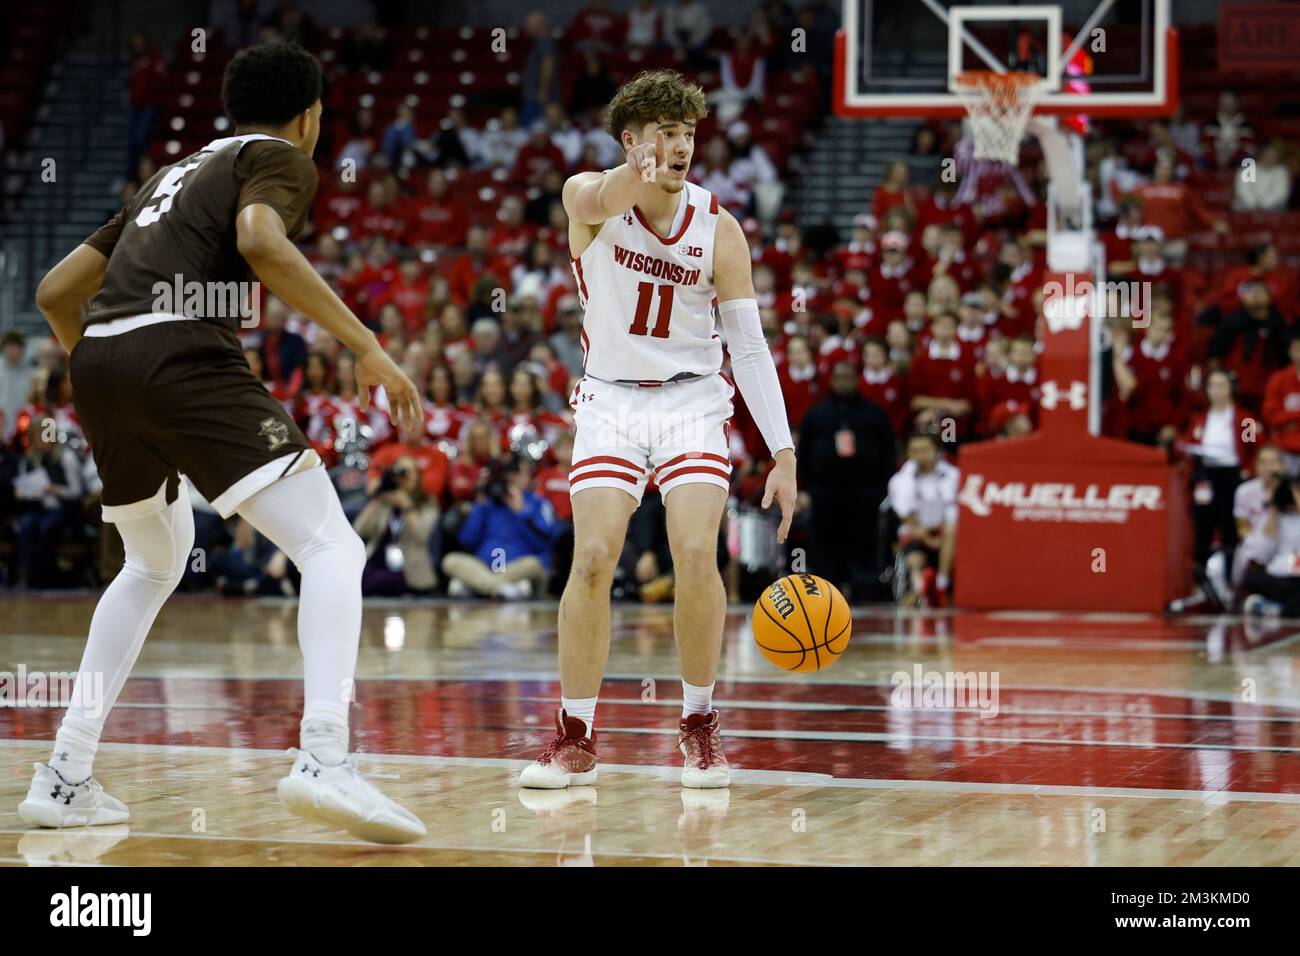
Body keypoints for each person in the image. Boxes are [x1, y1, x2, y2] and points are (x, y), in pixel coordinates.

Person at [21, 42, 426, 843]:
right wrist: (364, 344)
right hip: (179, 354)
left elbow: (54, 291)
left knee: (150, 564)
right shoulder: (277, 157)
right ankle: (324, 759)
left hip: (101, 359)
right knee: (332, 548)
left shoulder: (166, 179)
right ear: (310, 116)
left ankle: (65, 774)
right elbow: (262, 241)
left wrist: (116, 377)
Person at [521, 69, 796, 790]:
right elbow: (607, 195)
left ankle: (699, 726)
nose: (679, 148)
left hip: (692, 400)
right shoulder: (587, 197)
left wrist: (783, 449)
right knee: (593, 559)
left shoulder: (719, 227)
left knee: (696, 552)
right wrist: (628, 175)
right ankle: (575, 735)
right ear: (632, 140)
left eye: (688, 136)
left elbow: (751, 346)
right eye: (665, 135)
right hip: (610, 398)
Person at [441, 454, 555, 598]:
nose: (512, 478)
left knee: (533, 564)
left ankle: (481, 586)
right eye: (509, 473)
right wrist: (479, 507)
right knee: (450, 560)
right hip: (486, 567)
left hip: (519, 568)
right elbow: (467, 540)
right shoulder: (489, 503)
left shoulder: (538, 503)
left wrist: (522, 512)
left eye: (518, 473)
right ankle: (502, 589)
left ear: (528, 478)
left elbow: (544, 542)